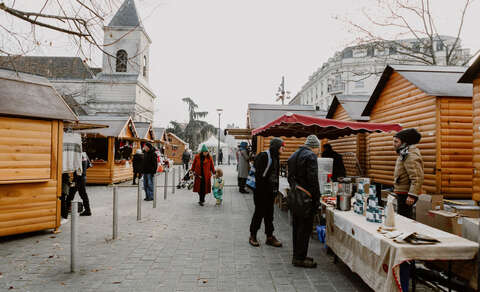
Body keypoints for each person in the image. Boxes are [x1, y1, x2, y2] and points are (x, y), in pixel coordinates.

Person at [287, 135, 322, 268]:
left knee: (297, 227)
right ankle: (300, 258)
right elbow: (313, 180)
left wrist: (296, 189)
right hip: (307, 199)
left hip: (295, 197)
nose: (319, 152)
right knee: (305, 228)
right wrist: (316, 198)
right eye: (318, 148)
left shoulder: (294, 155)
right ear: (315, 147)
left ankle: (298, 255)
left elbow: (290, 178)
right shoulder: (311, 156)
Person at [249, 138, 284, 248]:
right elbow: (259, 176)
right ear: (276, 147)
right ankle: (253, 235)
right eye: (282, 146)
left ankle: (269, 237)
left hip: (270, 192)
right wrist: (261, 192)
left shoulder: (276, 157)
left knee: (269, 215)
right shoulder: (264, 156)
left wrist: (274, 191)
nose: (284, 148)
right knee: (259, 214)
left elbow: (274, 176)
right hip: (260, 192)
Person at [393, 128, 424, 219]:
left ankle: (408, 233)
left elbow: (417, 177)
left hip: (407, 195)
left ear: (405, 142)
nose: (393, 144)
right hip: (403, 192)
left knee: (405, 220)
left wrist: (412, 195)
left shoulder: (410, 155)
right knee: (403, 218)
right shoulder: (404, 153)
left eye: (396, 141)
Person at [66, 152, 92, 216]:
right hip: (83, 178)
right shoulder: (85, 154)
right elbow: (89, 165)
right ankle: (88, 210)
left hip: (77, 178)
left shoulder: (77, 155)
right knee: (83, 195)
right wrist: (83, 170)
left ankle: (65, 210)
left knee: (70, 194)